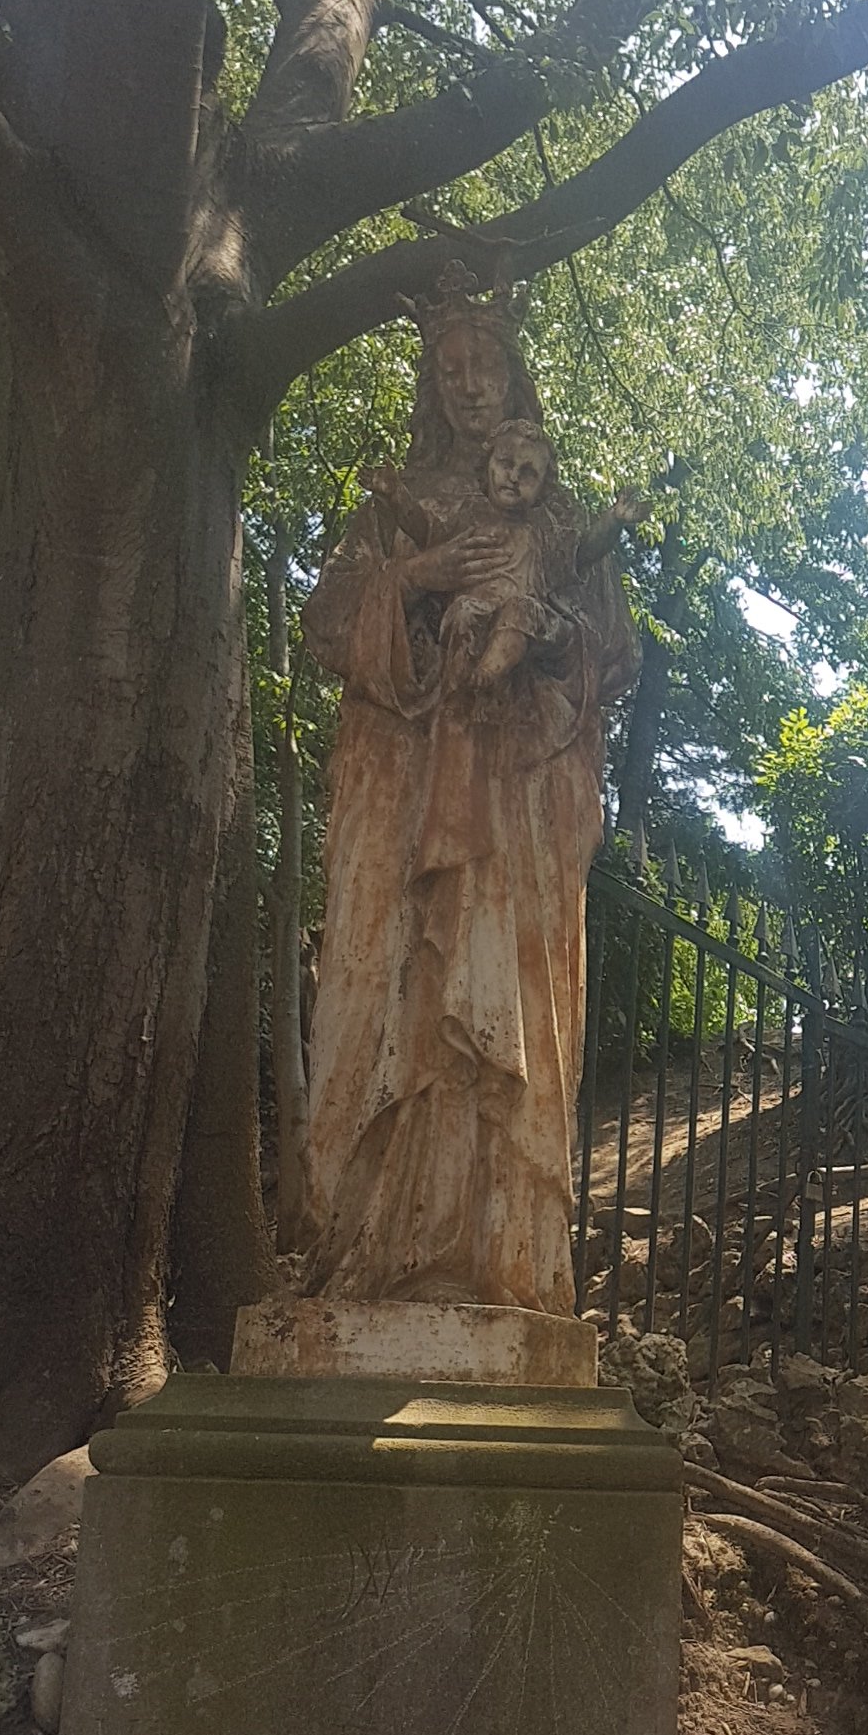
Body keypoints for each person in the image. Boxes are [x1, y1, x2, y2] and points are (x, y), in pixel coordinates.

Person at [297, 297, 641, 1312]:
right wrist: (418, 575)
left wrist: (545, 636)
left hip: (519, 798)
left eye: (483, 361)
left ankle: (500, 1263)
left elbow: (612, 654)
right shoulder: (395, 506)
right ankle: (362, 1255)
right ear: (430, 385)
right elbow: (328, 626)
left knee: (499, 1005)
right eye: (448, 367)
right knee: (381, 996)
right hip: (402, 787)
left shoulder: (559, 521)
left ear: (512, 370)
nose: (468, 383)